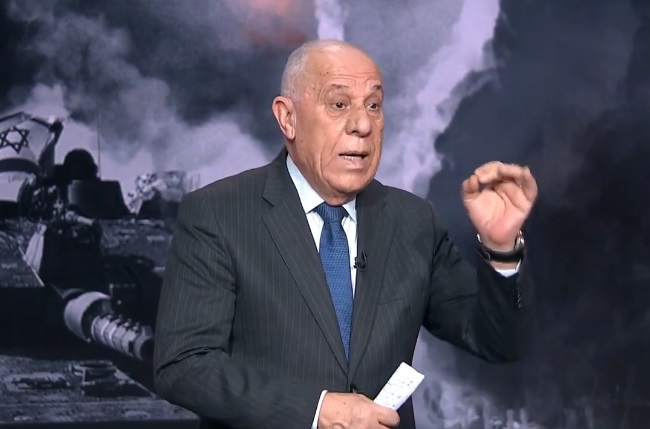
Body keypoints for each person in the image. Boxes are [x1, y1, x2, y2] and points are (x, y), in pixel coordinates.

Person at [153, 39, 538, 429]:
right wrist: (318, 411)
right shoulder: (219, 213)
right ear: (288, 118)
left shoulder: (413, 221)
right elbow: (184, 365)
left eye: (374, 105)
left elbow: (500, 342)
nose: (363, 125)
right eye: (339, 104)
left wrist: (502, 248)